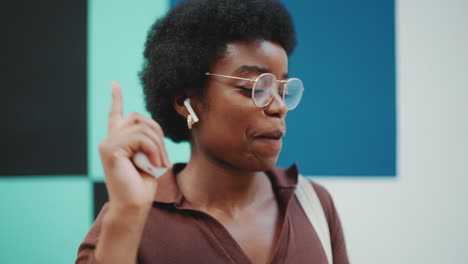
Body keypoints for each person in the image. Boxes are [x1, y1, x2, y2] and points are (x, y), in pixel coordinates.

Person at [76, 0, 349, 263]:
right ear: (187, 101)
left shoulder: (313, 204)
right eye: (254, 88)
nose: (278, 107)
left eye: (282, 88)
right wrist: (127, 217)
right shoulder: (129, 217)